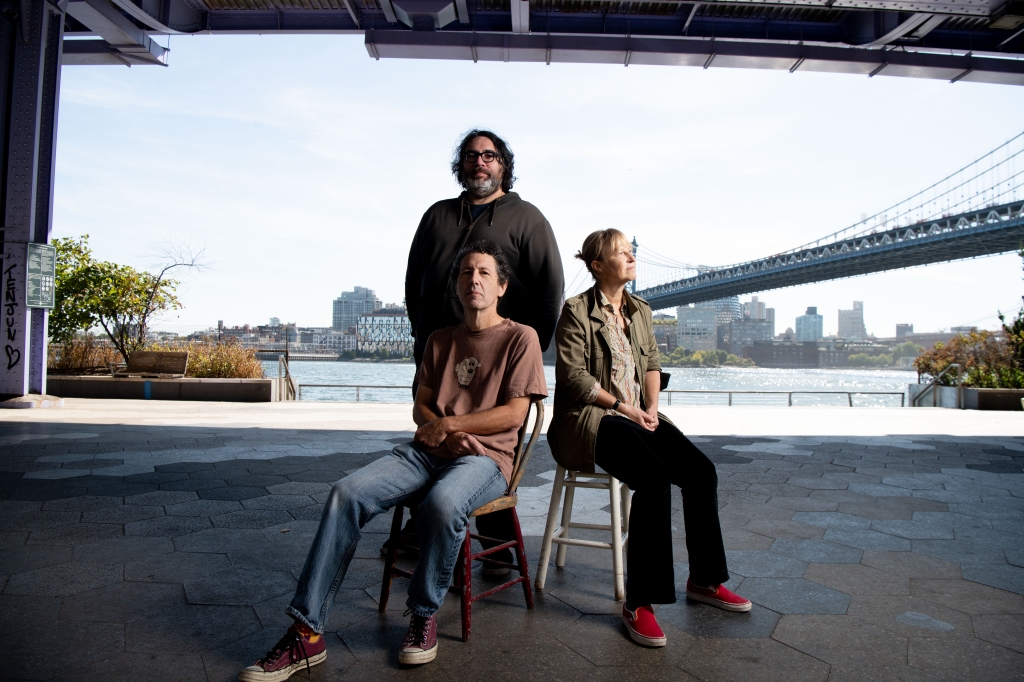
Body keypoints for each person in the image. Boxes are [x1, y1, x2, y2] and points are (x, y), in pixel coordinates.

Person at [239, 241, 547, 680]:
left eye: (483, 272)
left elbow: (515, 414)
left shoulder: (521, 337)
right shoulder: (439, 339)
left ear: (501, 286)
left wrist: (452, 427)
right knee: (346, 493)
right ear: (457, 285)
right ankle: (307, 632)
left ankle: (423, 616)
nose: (473, 280)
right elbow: (421, 407)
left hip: (485, 459)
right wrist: (444, 433)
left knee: (443, 503)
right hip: (428, 451)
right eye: (465, 272)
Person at [547, 229, 751, 649]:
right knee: (654, 479)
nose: (631, 256)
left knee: (701, 472)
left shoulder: (641, 309)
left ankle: (705, 580)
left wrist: (652, 408)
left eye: (630, 250)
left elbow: (653, 363)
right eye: (620, 252)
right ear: (597, 265)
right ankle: (638, 603)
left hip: (639, 416)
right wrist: (626, 408)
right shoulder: (576, 310)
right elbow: (573, 378)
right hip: (592, 419)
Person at [397, 129, 564, 570]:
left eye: (490, 156)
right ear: (461, 164)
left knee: (487, 448)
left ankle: (495, 545)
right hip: (439, 354)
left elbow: (550, 292)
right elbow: (414, 282)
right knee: (435, 435)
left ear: (503, 165)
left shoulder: (527, 219)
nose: (480, 162)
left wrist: (523, 355)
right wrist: (422, 337)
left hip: (499, 363)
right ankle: (424, 527)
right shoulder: (436, 216)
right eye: (471, 155)